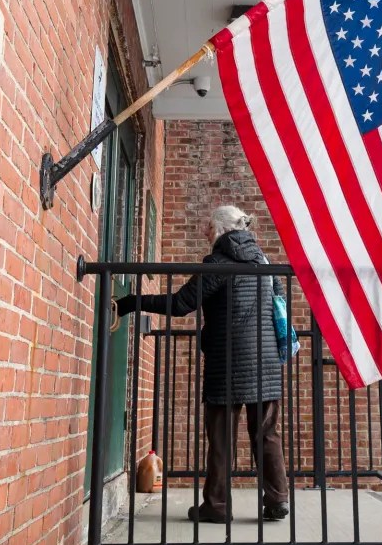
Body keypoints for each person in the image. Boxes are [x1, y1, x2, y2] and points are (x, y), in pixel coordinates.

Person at [115, 205, 289, 523]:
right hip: (266, 362)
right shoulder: (264, 261)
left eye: (208, 227)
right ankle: (277, 499)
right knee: (266, 433)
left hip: (228, 362)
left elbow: (181, 304)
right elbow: (278, 299)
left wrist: (131, 302)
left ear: (221, 229)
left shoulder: (217, 263)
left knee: (221, 435)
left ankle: (218, 506)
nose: (205, 232)